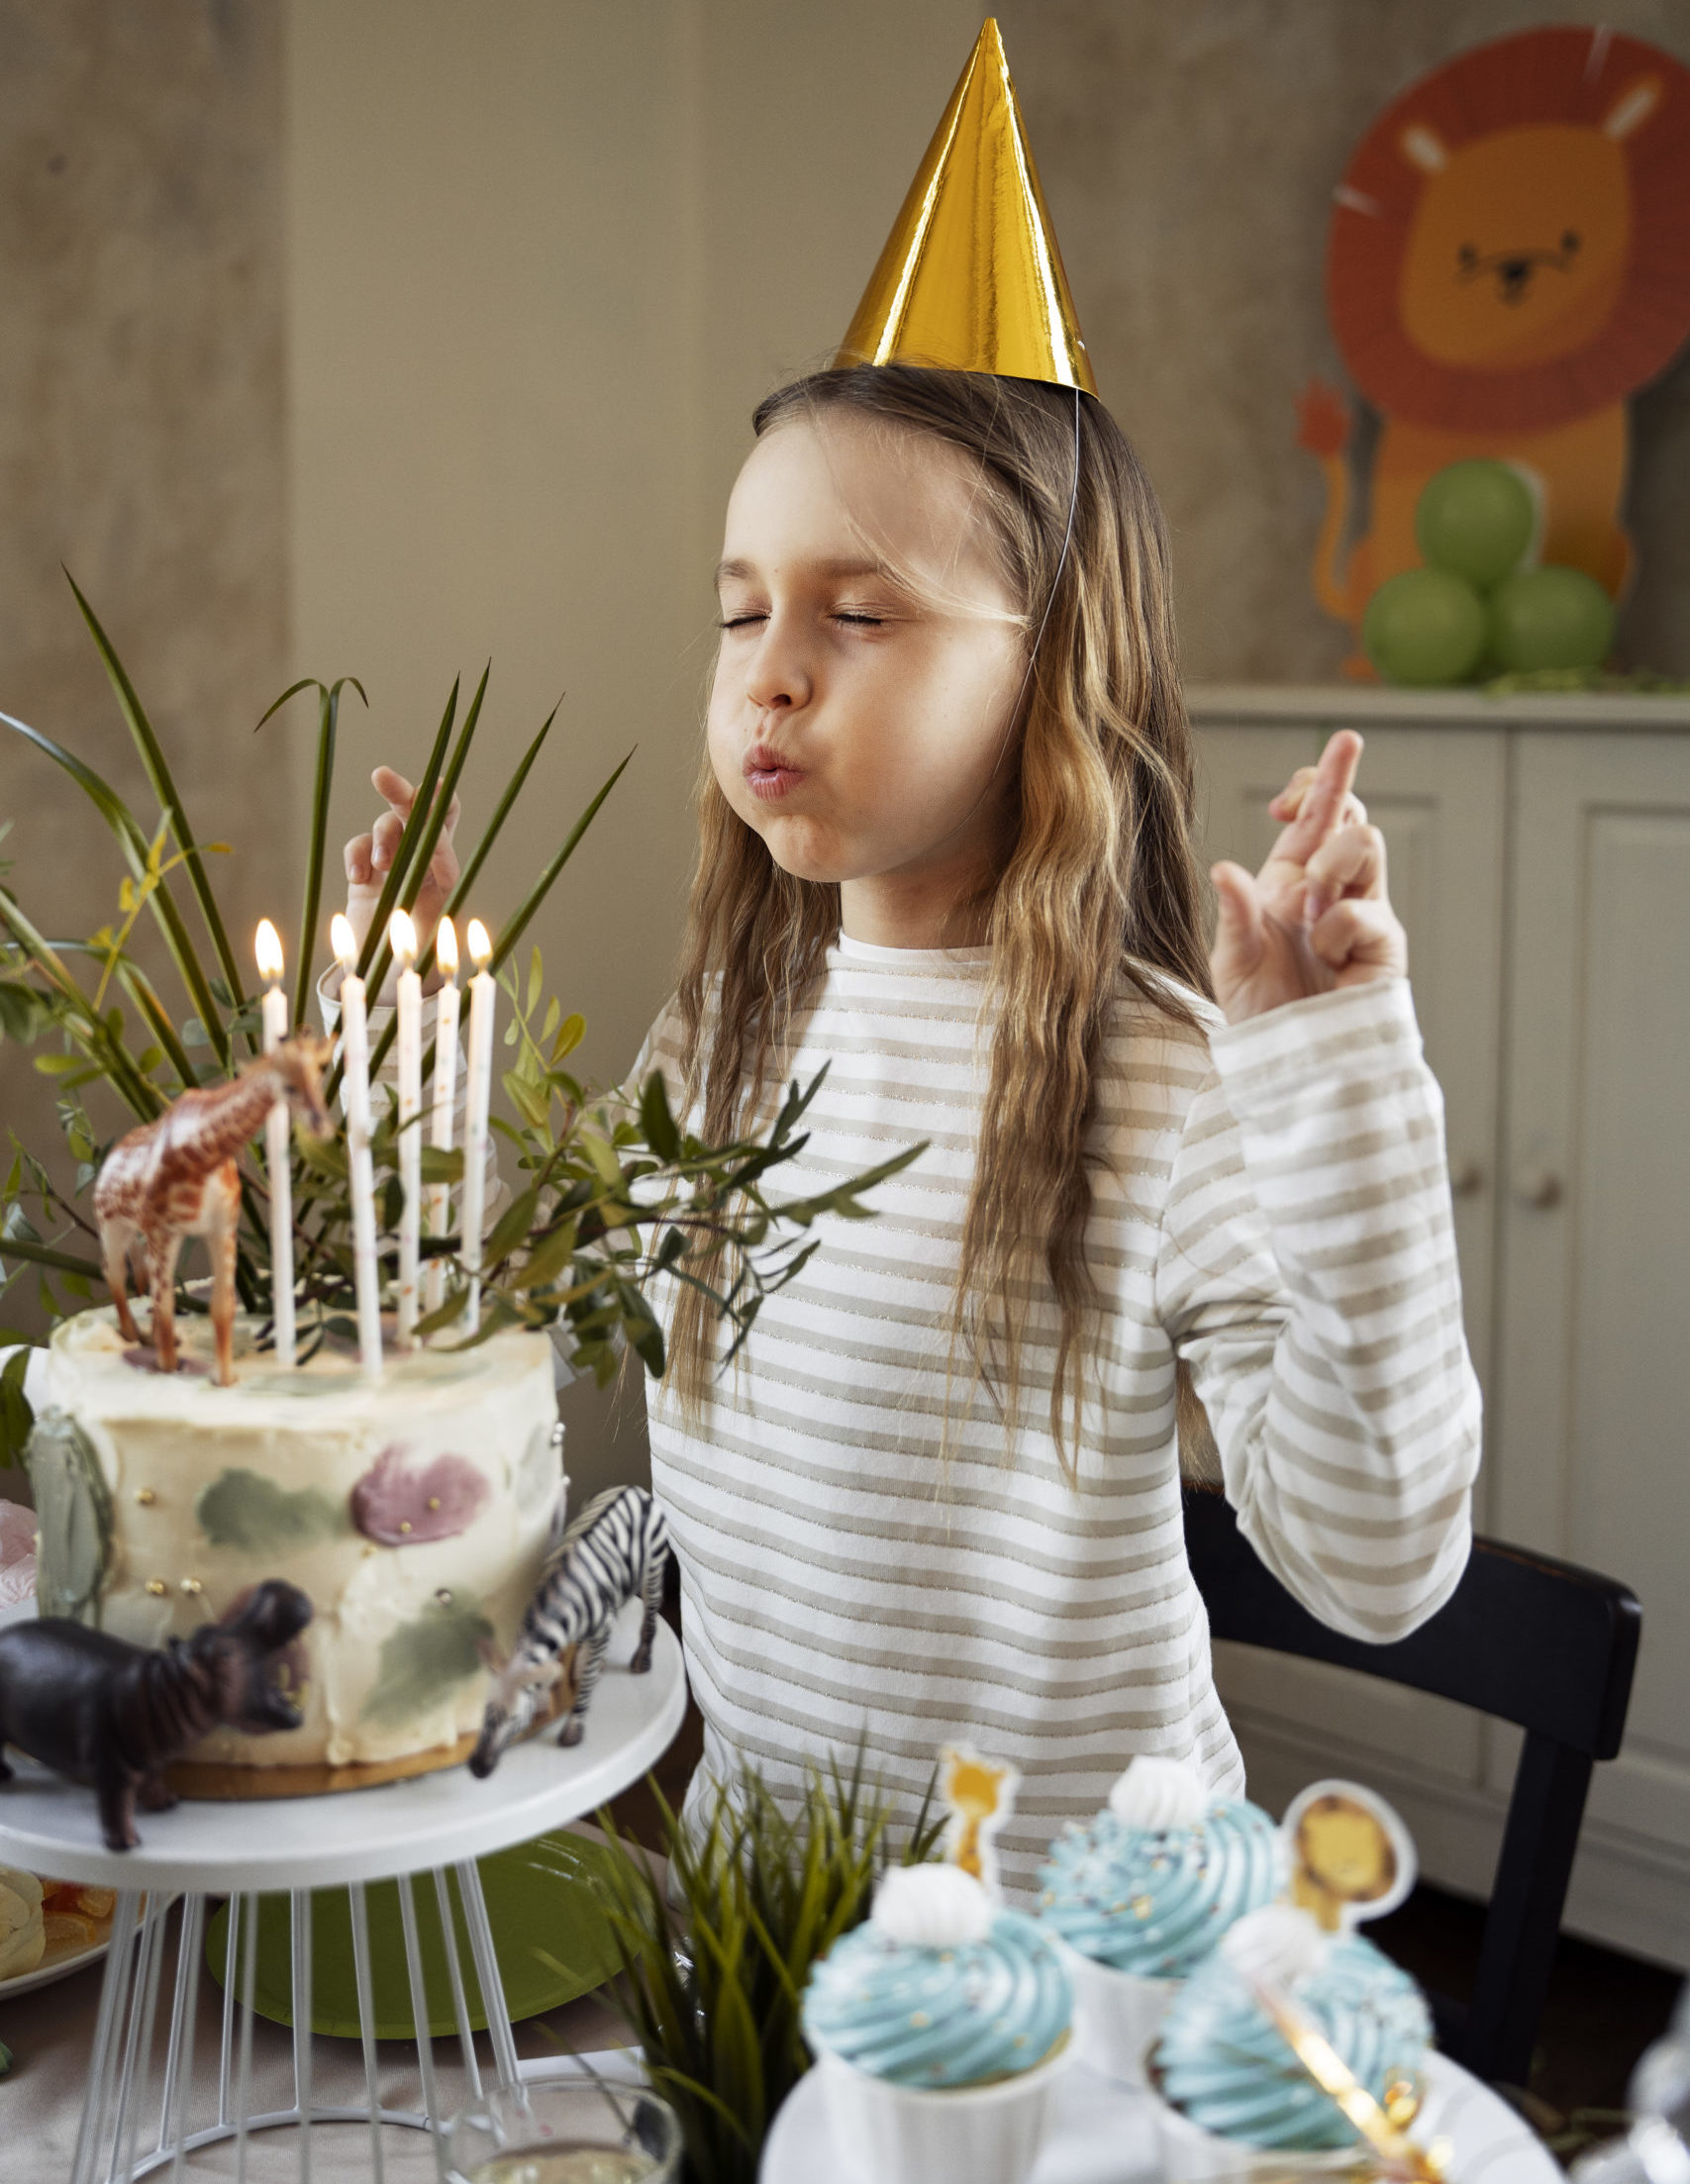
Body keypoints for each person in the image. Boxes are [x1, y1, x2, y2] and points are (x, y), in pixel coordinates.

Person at [340, 30, 1480, 1893]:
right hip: (771, 1949)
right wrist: (431, 1058)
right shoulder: (728, 1034)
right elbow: (488, 1330)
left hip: (1092, 1984)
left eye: (859, 614)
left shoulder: (1165, 1085)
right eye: (741, 611)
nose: (770, 669)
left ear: (1053, 673)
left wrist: (1337, 1078)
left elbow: (1380, 1558)